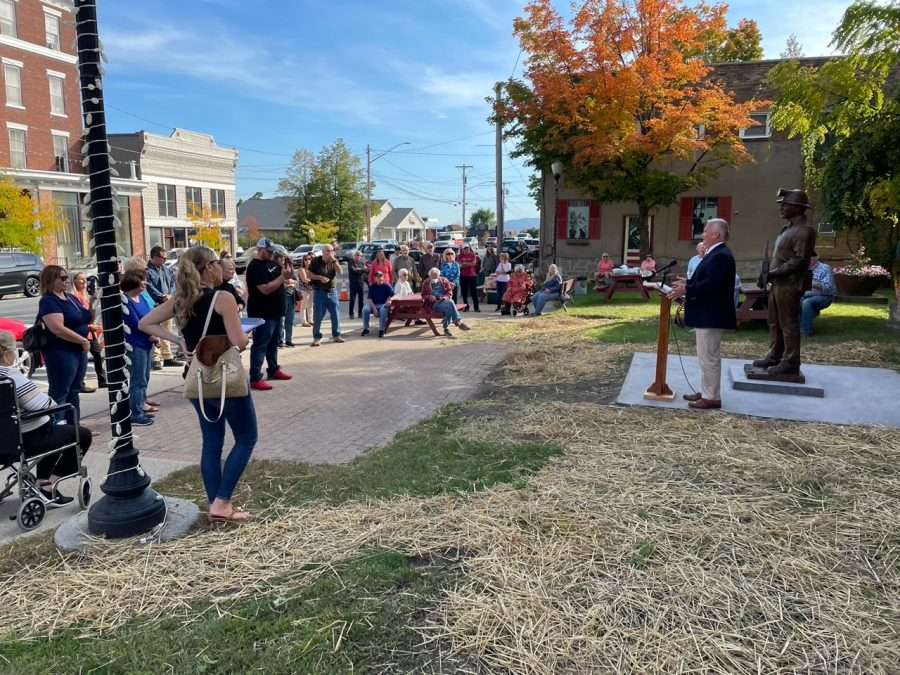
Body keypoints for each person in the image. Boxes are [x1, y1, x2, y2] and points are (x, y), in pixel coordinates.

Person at [139, 246, 256, 523]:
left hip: (197, 378)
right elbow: (239, 341)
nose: (221, 266)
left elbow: (146, 322)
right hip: (226, 377)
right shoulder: (222, 298)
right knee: (246, 437)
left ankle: (215, 502)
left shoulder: (181, 300)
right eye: (216, 262)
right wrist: (245, 339)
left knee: (212, 441)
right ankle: (222, 501)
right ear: (207, 267)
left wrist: (180, 341)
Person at [0, 330, 92, 506]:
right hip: (23, 441)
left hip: (4, 443)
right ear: (8, 353)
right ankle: (47, 485)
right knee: (80, 434)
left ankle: (43, 482)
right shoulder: (10, 378)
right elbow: (44, 406)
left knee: (54, 433)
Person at [667, 218, 737, 410]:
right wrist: (687, 284)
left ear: (716, 234)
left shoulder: (721, 255)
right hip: (707, 313)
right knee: (704, 355)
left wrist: (687, 288)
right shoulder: (714, 254)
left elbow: (712, 285)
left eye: (706, 231)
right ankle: (706, 391)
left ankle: (711, 396)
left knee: (709, 356)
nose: (703, 234)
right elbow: (706, 280)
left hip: (712, 313)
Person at [752, 189, 817, 376]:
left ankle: (790, 361)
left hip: (790, 284)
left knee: (788, 324)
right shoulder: (788, 229)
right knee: (774, 322)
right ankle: (775, 355)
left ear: (798, 208)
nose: (781, 207)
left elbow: (799, 261)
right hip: (778, 283)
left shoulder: (804, 231)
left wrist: (773, 273)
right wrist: (767, 275)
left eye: (785, 204)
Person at [36, 265, 92, 424]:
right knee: (60, 391)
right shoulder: (48, 301)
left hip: (78, 350)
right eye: (62, 278)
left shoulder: (71, 298)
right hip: (61, 351)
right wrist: (81, 340)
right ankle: (56, 427)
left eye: (67, 277)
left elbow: (85, 317)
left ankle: (74, 428)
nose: (67, 281)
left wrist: (93, 300)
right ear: (50, 280)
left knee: (74, 390)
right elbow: (57, 329)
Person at [245, 238, 293, 391]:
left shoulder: (272, 263)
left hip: (276, 311)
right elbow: (265, 289)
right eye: (268, 251)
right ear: (260, 250)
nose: (271, 254)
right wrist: (281, 278)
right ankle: (255, 377)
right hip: (262, 312)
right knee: (260, 345)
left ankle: (273, 369)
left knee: (273, 343)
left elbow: (284, 279)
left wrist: (287, 271)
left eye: (272, 251)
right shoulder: (254, 267)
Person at [121, 270, 156, 426]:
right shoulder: (125, 301)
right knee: (138, 379)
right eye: (142, 281)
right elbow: (135, 323)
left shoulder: (141, 298)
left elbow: (151, 316)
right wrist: (151, 335)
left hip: (148, 342)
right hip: (136, 344)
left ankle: (141, 405)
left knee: (145, 377)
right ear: (134, 282)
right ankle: (135, 413)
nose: (145, 283)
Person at [146, 246, 182, 368]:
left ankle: (167, 356)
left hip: (167, 303)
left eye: (166, 258)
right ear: (154, 257)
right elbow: (148, 287)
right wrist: (161, 296)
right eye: (162, 258)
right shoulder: (147, 272)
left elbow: (172, 283)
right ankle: (156, 358)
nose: (165, 260)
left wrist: (170, 295)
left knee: (166, 331)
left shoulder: (166, 270)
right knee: (155, 330)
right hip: (154, 304)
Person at [71, 271, 106, 390]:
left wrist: (91, 303)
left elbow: (90, 316)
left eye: (85, 279)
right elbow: (77, 317)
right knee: (82, 358)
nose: (84, 282)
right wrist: (90, 326)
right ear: (74, 281)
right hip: (80, 332)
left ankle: (102, 380)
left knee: (98, 354)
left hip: (90, 331)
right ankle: (79, 383)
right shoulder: (73, 297)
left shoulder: (86, 296)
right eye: (81, 279)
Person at [309, 244, 344, 347]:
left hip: (332, 291)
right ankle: (317, 337)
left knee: (335, 315)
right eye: (328, 251)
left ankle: (336, 335)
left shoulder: (333, 261)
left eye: (332, 250)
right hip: (319, 292)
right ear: (323, 252)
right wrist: (320, 277)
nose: (330, 253)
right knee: (318, 316)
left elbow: (341, 272)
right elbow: (309, 274)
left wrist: (334, 261)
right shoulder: (316, 261)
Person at [421, 267, 470, 337]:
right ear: (430, 276)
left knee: (449, 307)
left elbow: (449, 292)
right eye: (433, 276)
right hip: (434, 304)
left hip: (444, 301)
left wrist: (444, 297)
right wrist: (430, 297)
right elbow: (423, 295)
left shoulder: (444, 280)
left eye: (436, 276)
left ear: (439, 275)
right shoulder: (426, 282)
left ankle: (446, 329)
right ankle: (458, 322)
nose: (434, 278)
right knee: (451, 303)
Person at [801, 251, 835, 337]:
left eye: (810, 259)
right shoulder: (803, 269)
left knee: (806, 303)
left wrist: (812, 283)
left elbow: (828, 288)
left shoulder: (825, 268)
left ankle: (806, 331)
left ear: (816, 258)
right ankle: (796, 327)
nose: (807, 261)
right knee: (793, 300)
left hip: (824, 296)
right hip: (805, 295)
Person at [275, 247, 298, 348]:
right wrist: (286, 282)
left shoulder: (289, 269)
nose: (283, 260)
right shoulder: (276, 269)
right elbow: (278, 282)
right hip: (282, 297)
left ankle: (288, 339)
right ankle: (280, 340)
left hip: (291, 295)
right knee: (282, 320)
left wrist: (291, 282)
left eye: (284, 258)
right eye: (281, 258)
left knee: (290, 319)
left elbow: (296, 281)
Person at [362, 270, 394, 338]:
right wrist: (374, 309)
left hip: (383, 304)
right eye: (377, 277)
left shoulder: (387, 286)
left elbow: (390, 296)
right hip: (374, 304)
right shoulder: (372, 286)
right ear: (375, 278)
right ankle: (366, 329)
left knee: (383, 309)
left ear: (383, 277)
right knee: (365, 309)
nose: (379, 278)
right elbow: (370, 299)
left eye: (381, 276)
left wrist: (388, 302)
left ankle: (381, 330)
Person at [458, 244, 480, 311]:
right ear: (463, 249)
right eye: (465, 249)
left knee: (474, 292)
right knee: (464, 293)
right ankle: (466, 307)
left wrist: (465, 264)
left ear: (469, 249)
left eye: (467, 249)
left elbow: (474, 263)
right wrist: (468, 264)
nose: (466, 250)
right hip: (463, 276)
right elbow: (459, 265)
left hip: (472, 275)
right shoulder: (460, 256)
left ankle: (476, 308)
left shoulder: (473, 255)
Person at [347, 250, 368, 319]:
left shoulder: (362, 263)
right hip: (353, 283)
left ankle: (360, 313)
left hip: (361, 283)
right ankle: (351, 313)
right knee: (352, 299)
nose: (358, 257)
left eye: (359, 255)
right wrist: (360, 270)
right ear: (354, 256)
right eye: (357, 255)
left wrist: (360, 269)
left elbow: (366, 270)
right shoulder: (351, 262)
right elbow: (352, 270)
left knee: (361, 299)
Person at [296, 254, 314, 327]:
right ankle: (304, 321)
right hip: (304, 290)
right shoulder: (301, 269)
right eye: (305, 259)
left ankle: (310, 320)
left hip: (311, 289)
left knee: (310, 305)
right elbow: (305, 280)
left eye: (309, 259)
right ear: (303, 261)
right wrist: (316, 280)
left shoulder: (312, 269)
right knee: (303, 306)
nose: (307, 261)